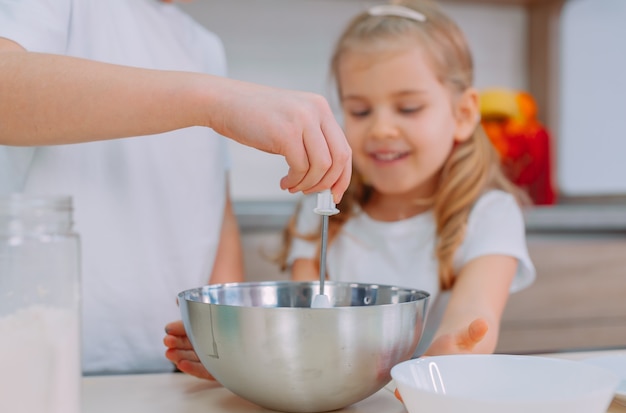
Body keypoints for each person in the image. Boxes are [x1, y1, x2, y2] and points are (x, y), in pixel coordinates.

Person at [164, 0, 535, 380]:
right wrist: (244, 360)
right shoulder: (321, 209)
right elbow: (305, 334)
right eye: (359, 111)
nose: (381, 129)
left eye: (408, 108)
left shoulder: (489, 215)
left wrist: (447, 363)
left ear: (464, 114)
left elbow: (473, 315)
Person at [0, 0, 350, 375]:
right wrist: (216, 100)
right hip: (33, 372)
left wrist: (223, 340)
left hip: (162, 375)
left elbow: (216, 211)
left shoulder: (203, 47)